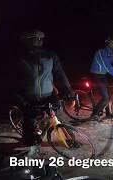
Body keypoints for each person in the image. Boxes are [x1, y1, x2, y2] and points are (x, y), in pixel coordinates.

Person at [16, 29, 74, 157]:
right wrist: (22, 100)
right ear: (27, 41)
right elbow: (14, 81)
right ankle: (30, 146)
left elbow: (59, 73)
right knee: (30, 123)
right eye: (36, 38)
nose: (40, 40)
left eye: (41, 38)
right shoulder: (20, 58)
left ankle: (72, 139)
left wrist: (68, 89)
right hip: (30, 97)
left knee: (61, 118)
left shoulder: (50, 55)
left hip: (49, 95)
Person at [89, 36, 113, 120]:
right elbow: (107, 66)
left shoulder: (111, 53)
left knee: (108, 96)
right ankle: (94, 114)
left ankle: (107, 113)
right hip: (97, 75)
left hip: (103, 75)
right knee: (105, 98)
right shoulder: (101, 52)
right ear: (108, 43)